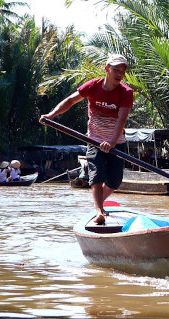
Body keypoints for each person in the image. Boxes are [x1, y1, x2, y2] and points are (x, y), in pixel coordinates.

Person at [40, 54, 134, 225]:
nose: (119, 73)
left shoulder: (126, 93)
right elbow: (70, 101)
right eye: (115, 69)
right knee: (96, 175)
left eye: (122, 71)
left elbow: (121, 120)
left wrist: (112, 143)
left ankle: (98, 203)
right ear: (107, 69)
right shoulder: (93, 86)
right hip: (95, 140)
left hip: (116, 142)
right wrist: (52, 114)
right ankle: (99, 211)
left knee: (115, 180)